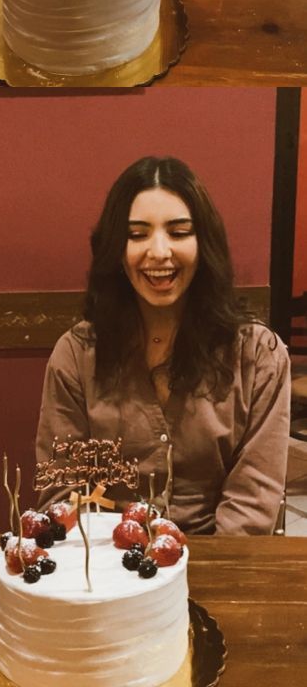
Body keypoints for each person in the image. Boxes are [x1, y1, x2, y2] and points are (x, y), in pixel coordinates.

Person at [36, 156, 290, 535]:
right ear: (116, 251)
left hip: (217, 561)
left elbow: (252, 505)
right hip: (108, 562)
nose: (158, 252)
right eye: (137, 234)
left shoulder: (257, 354)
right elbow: (62, 493)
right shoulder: (76, 354)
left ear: (204, 243)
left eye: (179, 231)